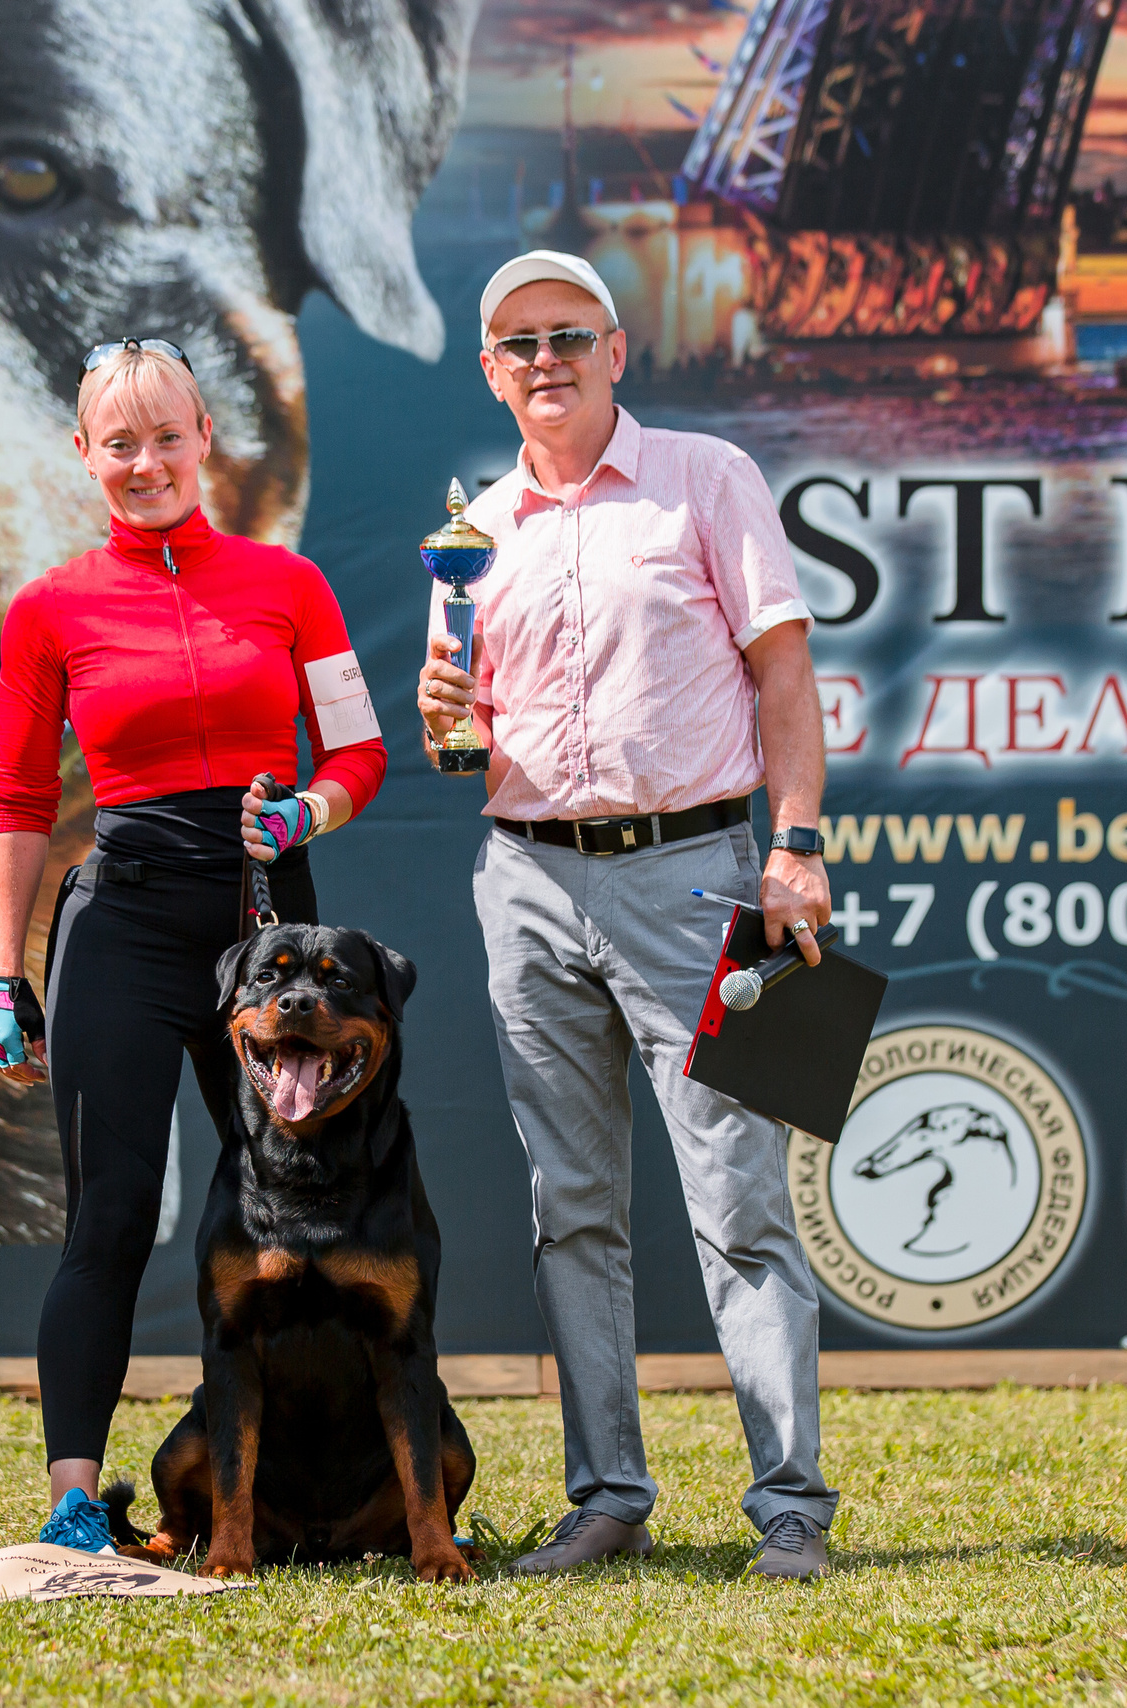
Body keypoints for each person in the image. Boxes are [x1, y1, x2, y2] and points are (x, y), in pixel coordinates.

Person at [415, 251, 839, 1580]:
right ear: (491, 371)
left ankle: (789, 1507)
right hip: (526, 877)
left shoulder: (708, 477)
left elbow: (784, 674)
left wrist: (802, 845)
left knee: (742, 1200)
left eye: (569, 336)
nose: (546, 359)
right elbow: (456, 749)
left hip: (701, 873)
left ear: (615, 352)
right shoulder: (473, 532)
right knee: (571, 1204)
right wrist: (444, 728)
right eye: (520, 343)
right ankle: (607, 1495)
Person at [0, 340, 389, 1550]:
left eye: (168, 436)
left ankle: (315, 1488)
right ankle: (72, 1499)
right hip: (125, 924)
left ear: (207, 439)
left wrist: (302, 813)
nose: (146, 461)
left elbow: (360, 754)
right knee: (106, 1217)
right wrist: (5, 975)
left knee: (292, 1217)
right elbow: (12, 803)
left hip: (268, 932)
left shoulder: (290, 582)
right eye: (121, 442)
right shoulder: (48, 605)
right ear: (84, 455)